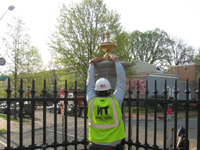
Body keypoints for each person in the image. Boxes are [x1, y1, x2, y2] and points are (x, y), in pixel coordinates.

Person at [86, 55, 126, 150]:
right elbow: (122, 80)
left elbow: (89, 83)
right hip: (112, 146)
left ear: (96, 91)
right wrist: (116, 60)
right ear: (110, 91)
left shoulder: (91, 100)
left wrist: (91, 63)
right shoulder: (115, 100)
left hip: (93, 145)